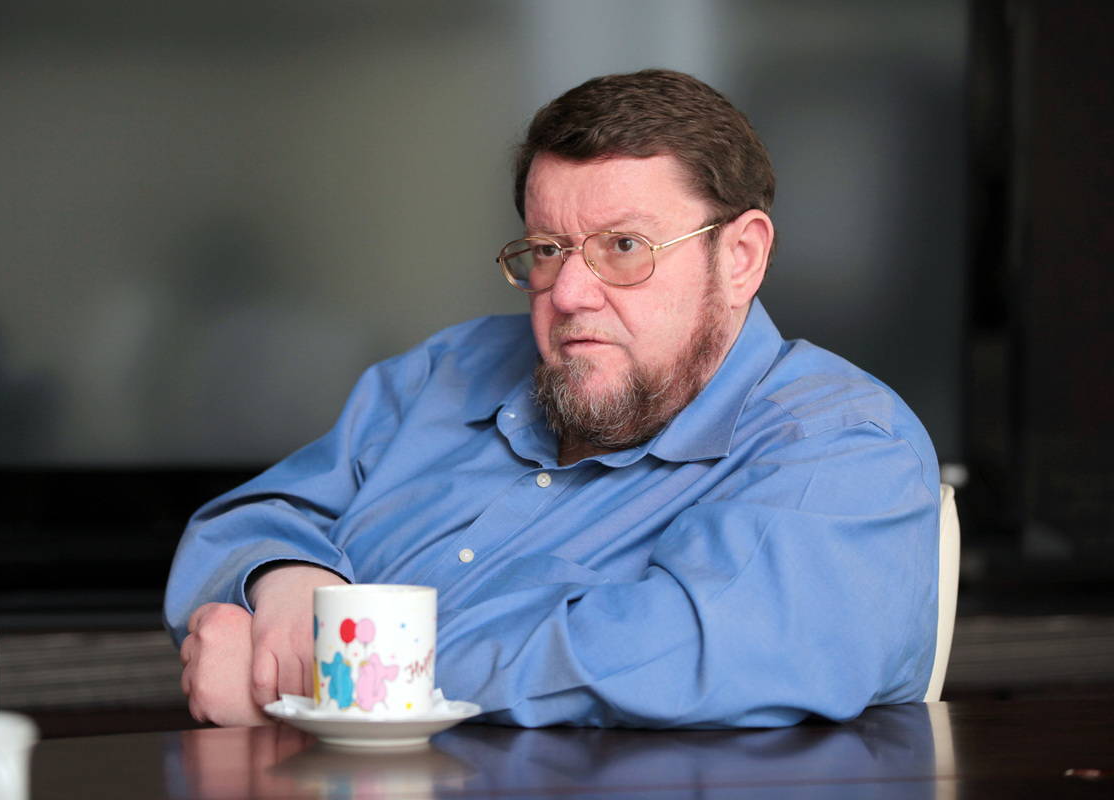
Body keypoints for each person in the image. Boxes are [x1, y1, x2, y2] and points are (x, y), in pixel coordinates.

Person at [165, 69, 941, 730]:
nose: (568, 293)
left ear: (740, 257)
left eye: (624, 247)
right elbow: (242, 524)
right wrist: (284, 580)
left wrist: (323, 672)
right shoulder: (448, 369)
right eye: (547, 249)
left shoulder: (843, 447)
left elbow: (687, 653)